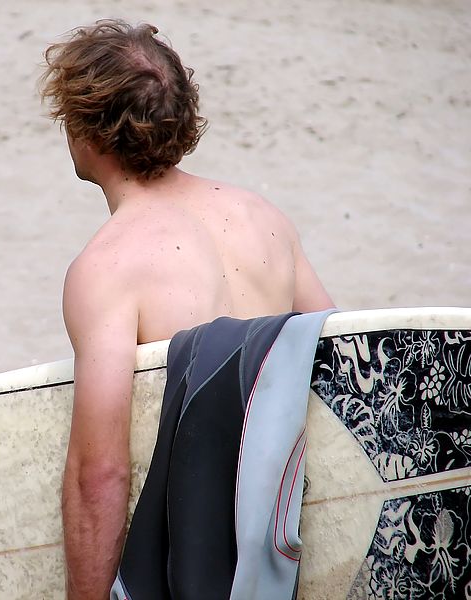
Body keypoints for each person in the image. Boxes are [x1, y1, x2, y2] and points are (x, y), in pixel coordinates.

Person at [39, 19, 334, 599]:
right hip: (276, 548)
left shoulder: (107, 268)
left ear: (84, 130)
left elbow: (100, 474)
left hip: (183, 564)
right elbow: (337, 371)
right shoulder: (265, 220)